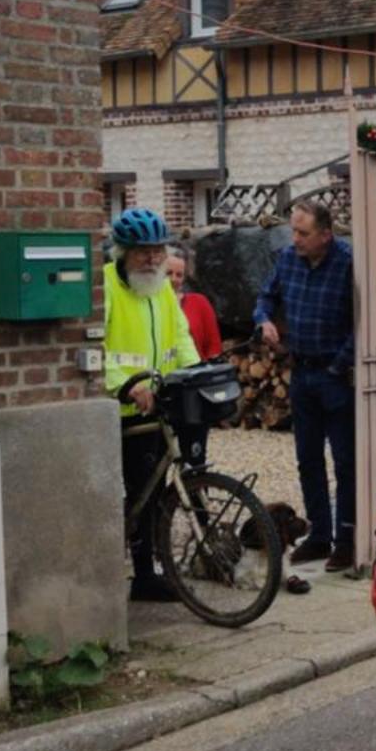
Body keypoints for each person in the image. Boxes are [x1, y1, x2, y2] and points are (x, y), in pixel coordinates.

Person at [253, 196, 356, 572]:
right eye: (293, 230)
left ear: (326, 235)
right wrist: (263, 319)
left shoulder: (348, 264)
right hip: (300, 372)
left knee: (346, 462)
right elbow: (266, 295)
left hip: (335, 376)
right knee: (307, 459)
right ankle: (319, 536)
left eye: (302, 232)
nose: (294, 238)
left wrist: (338, 367)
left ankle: (347, 538)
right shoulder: (287, 260)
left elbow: (362, 322)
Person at [103, 207, 199, 602]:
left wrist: (197, 376)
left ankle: (146, 575)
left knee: (154, 494)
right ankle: (119, 568)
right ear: (123, 252)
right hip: (123, 410)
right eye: (143, 251)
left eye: (158, 250)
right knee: (127, 496)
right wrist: (122, 385)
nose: (153, 259)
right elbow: (95, 347)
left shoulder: (160, 287)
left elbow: (181, 335)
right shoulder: (106, 285)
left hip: (157, 406)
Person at [167, 243, 223, 360]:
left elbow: (213, 345)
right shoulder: (148, 304)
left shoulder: (199, 302)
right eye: (168, 273)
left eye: (179, 275)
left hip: (194, 371)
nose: (173, 279)